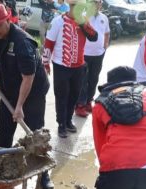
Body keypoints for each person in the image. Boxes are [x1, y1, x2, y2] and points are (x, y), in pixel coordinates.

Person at [0, 4, 53, 189]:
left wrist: (20, 106)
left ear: (8, 19)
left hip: (33, 93)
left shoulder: (22, 42)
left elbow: (28, 77)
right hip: (8, 91)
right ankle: (0, 171)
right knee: (4, 133)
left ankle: (43, 174)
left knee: (35, 133)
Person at [42, 0, 98, 138]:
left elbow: (94, 37)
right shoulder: (57, 22)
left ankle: (68, 121)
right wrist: (45, 63)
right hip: (61, 66)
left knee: (74, 94)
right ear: (70, 8)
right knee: (62, 95)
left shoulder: (83, 22)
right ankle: (61, 123)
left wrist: (83, 23)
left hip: (78, 66)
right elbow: (49, 43)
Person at [75, 0, 109, 117]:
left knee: (94, 79)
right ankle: (80, 105)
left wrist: (105, 46)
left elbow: (107, 33)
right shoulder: (84, 17)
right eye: (94, 2)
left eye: (99, 2)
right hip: (84, 54)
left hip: (99, 54)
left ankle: (89, 101)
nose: (97, 4)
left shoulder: (104, 17)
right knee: (83, 80)